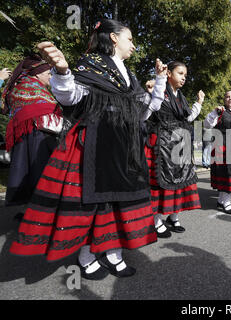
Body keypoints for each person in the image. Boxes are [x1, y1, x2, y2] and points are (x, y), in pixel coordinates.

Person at [10, 19, 167, 280]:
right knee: (93, 206)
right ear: (114, 38)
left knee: (121, 205)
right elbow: (69, 97)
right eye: (130, 39)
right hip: (95, 146)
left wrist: (160, 81)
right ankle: (87, 257)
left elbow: (144, 112)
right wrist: (61, 70)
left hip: (126, 149)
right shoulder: (89, 64)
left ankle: (114, 256)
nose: (134, 46)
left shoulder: (129, 76)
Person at [145, 61, 203, 238]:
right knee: (159, 185)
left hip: (180, 143)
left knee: (180, 183)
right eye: (180, 73)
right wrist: (154, 83)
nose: (184, 77)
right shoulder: (158, 89)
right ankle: (156, 220)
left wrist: (199, 103)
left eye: (185, 74)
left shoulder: (181, 96)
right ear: (168, 73)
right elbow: (150, 109)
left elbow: (187, 118)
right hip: (162, 143)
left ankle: (173, 215)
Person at [1, 55, 63, 207]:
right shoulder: (28, 87)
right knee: (40, 175)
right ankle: (39, 213)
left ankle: (34, 211)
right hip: (36, 137)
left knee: (30, 174)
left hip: (29, 137)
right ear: (38, 73)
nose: (50, 76)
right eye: (48, 73)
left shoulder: (28, 87)